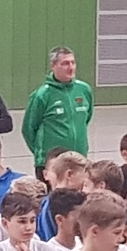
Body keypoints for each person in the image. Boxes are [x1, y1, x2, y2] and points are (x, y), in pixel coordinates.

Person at [22, 46, 93, 179]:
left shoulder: (84, 89)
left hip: (79, 161)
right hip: (51, 165)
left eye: (73, 62)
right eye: (65, 63)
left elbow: (86, 118)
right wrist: (42, 154)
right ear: (53, 66)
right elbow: (29, 129)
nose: (70, 67)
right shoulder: (42, 95)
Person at [36, 151, 89, 241]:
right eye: (83, 174)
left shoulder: (43, 203)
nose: (85, 180)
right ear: (69, 174)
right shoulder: (66, 203)